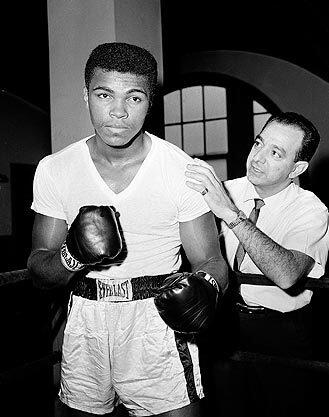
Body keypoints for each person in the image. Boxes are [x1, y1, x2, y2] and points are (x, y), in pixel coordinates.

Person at [27, 42, 228, 417]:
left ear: (150, 101)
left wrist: (206, 287)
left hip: (157, 320)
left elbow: (212, 260)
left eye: (134, 98)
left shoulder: (180, 170)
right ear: (86, 96)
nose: (118, 113)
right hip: (86, 319)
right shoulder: (55, 169)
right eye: (105, 95)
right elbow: (39, 270)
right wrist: (73, 256)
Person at [185, 112, 329, 416]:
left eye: (275, 153)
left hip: (280, 332)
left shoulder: (311, 211)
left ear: (297, 168)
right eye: (259, 143)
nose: (258, 158)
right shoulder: (228, 190)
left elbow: (287, 274)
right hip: (223, 322)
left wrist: (231, 215)